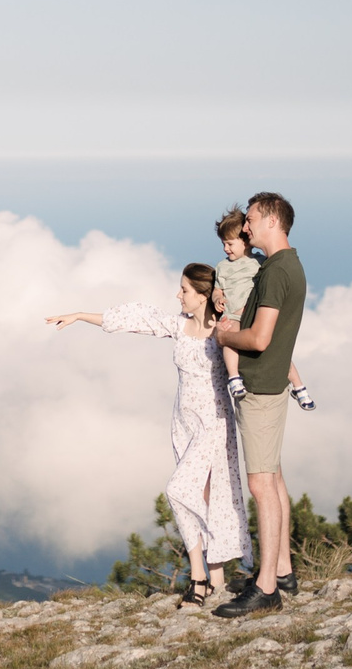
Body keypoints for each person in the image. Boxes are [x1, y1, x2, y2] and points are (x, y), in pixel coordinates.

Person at [45, 264, 247, 604]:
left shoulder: (222, 332)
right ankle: (217, 580)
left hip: (213, 421)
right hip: (183, 422)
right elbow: (134, 319)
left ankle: (198, 577)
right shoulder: (179, 326)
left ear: (202, 296)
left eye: (184, 290)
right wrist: (80, 315)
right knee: (200, 495)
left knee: (180, 489)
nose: (178, 295)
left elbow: (250, 355)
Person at [210, 191, 305, 619]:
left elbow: (260, 339)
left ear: (268, 219)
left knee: (261, 485)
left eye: (249, 220)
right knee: (275, 477)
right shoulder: (286, 265)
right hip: (273, 385)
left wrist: (224, 336)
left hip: (262, 388)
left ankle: (266, 587)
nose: (245, 228)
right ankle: (281, 569)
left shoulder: (273, 272)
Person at [213, 207, 314, 412]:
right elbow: (217, 288)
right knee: (229, 342)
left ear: (245, 242)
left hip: (252, 315)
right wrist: (218, 298)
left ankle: (298, 385)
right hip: (232, 315)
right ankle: (234, 378)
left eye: (230, 243)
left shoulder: (260, 263)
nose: (226, 249)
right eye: (223, 244)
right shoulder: (222, 267)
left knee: (278, 354)